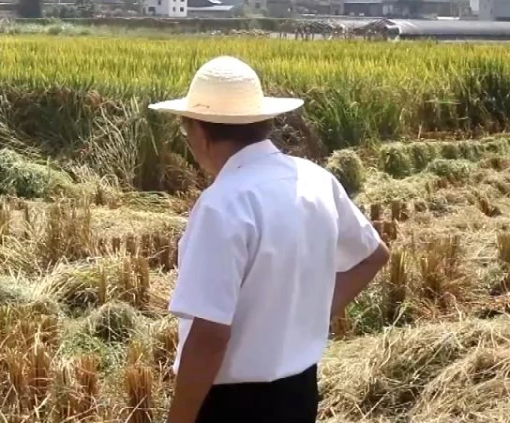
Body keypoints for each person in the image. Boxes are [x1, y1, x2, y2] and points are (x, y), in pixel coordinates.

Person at [149, 55, 390, 423]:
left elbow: (210, 337)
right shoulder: (315, 180)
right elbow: (373, 255)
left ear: (200, 131)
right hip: (300, 393)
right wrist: (312, 314)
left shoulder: (222, 205)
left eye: (186, 133)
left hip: (233, 405)